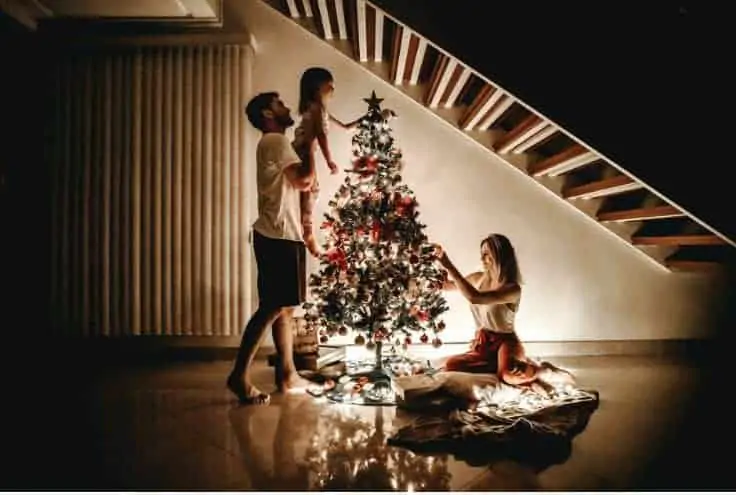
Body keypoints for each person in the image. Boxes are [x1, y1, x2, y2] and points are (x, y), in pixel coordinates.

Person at [226, 92, 315, 405]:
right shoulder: (275, 141)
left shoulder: (274, 143)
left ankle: (287, 374)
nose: (286, 106)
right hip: (278, 235)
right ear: (267, 112)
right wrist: (313, 143)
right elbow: (304, 180)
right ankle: (239, 375)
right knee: (273, 306)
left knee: (284, 308)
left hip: (281, 234)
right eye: (279, 103)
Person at [433, 234, 542, 388]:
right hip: (483, 342)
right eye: (481, 254)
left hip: (506, 342)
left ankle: (540, 371)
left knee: (508, 376)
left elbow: (474, 297)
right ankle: (503, 365)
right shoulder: (477, 278)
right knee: (452, 365)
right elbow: (446, 286)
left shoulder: (512, 289)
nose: (482, 259)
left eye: (486, 254)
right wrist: (432, 262)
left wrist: (448, 265)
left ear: (500, 256)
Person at [292, 67, 365, 257]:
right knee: (310, 191)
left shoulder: (321, 110)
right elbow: (320, 135)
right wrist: (329, 160)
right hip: (303, 152)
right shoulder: (316, 109)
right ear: (317, 88)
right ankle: (308, 238)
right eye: (330, 86)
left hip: (306, 151)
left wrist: (368, 118)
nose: (333, 90)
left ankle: (308, 236)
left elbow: (346, 127)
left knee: (311, 192)